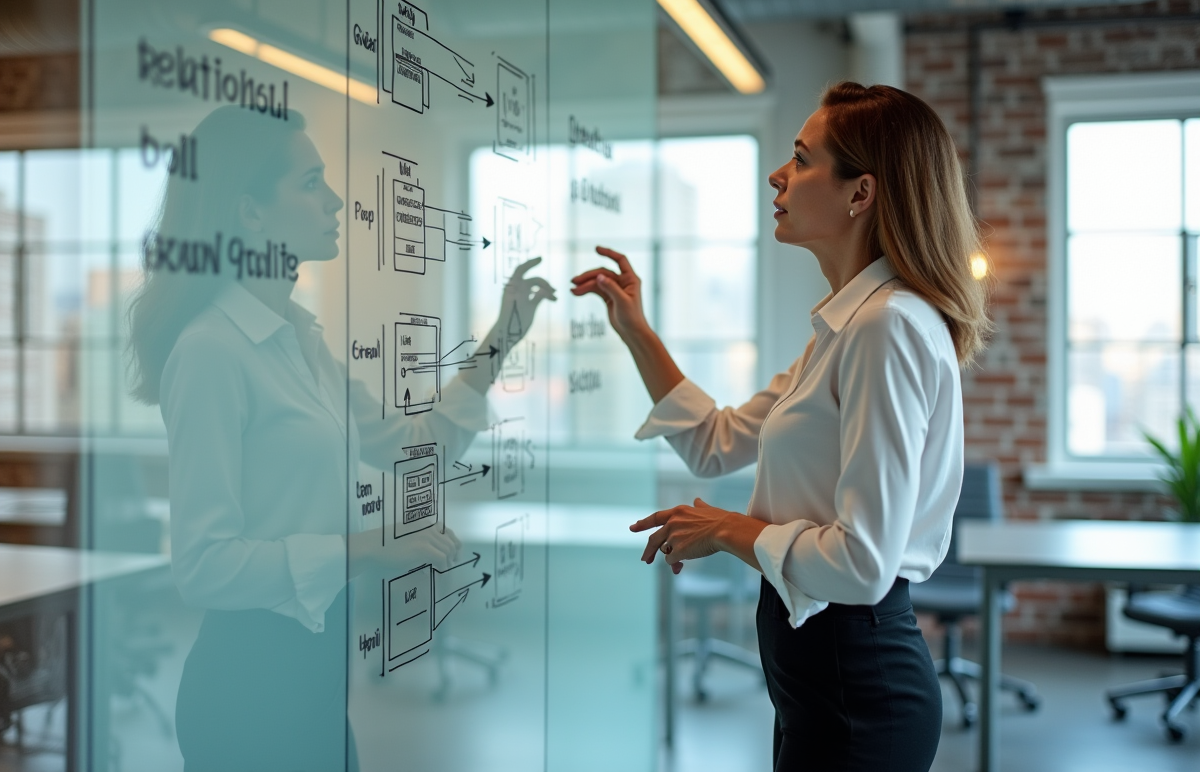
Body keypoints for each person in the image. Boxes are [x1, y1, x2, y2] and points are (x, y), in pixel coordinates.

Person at [571, 82, 990, 771]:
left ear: (861, 194)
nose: (778, 174)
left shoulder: (886, 328)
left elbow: (862, 562)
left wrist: (728, 530)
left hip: (860, 689)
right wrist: (636, 330)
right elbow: (715, 444)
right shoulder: (846, 327)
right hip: (822, 687)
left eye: (800, 158)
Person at [127, 105, 553, 771]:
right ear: (251, 214)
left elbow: (421, 447)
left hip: (316, 678)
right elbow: (204, 565)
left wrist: (499, 342)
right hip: (246, 690)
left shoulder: (300, 340)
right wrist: (373, 544)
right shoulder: (211, 350)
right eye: (309, 183)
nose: (332, 201)